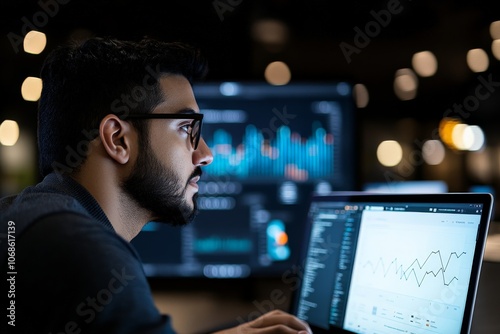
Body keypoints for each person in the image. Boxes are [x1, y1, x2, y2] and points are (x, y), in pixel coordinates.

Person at [0, 37, 312, 334]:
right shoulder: (80, 246)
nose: (205, 154)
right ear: (118, 139)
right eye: (186, 127)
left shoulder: (31, 216)